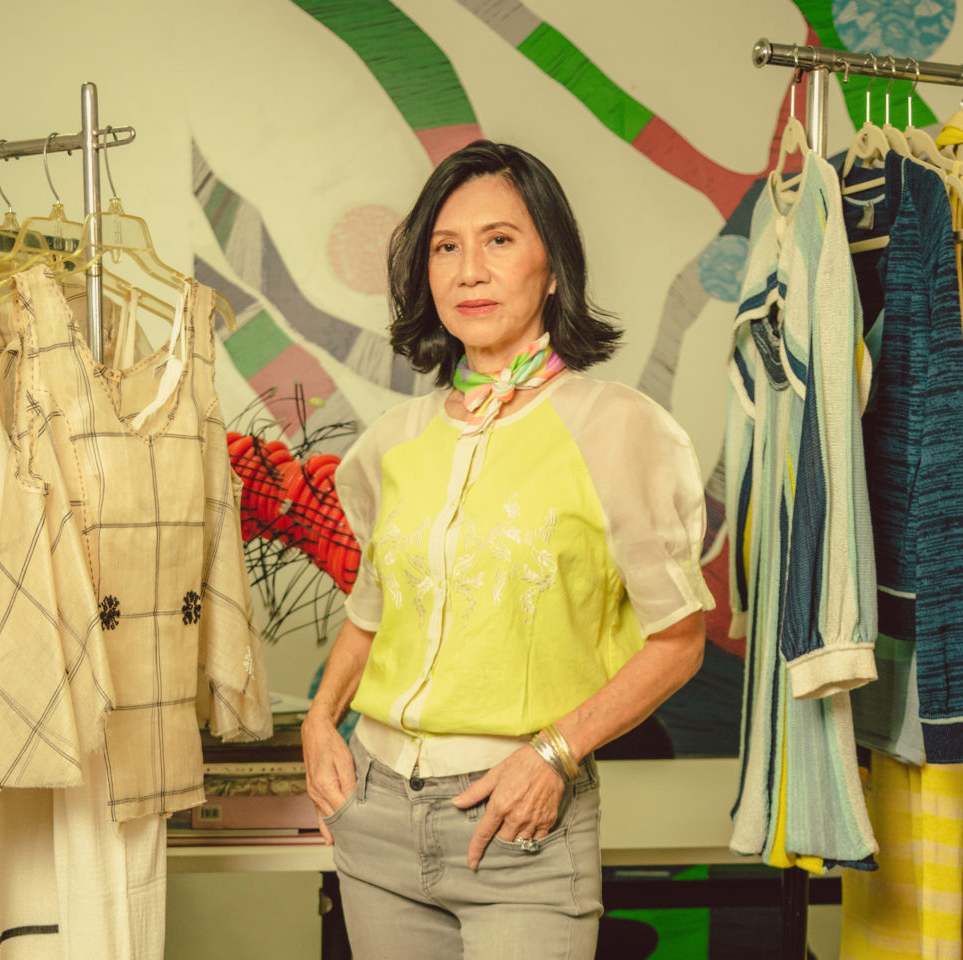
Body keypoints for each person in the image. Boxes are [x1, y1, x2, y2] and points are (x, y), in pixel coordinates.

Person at [302, 140, 714, 960]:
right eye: (445, 248)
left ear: (552, 266)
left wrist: (554, 756)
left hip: (521, 819)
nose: (469, 271)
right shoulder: (393, 441)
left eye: (499, 240)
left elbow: (679, 641)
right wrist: (319, 722)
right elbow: (373, 613)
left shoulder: (616, 429)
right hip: (374, 819)